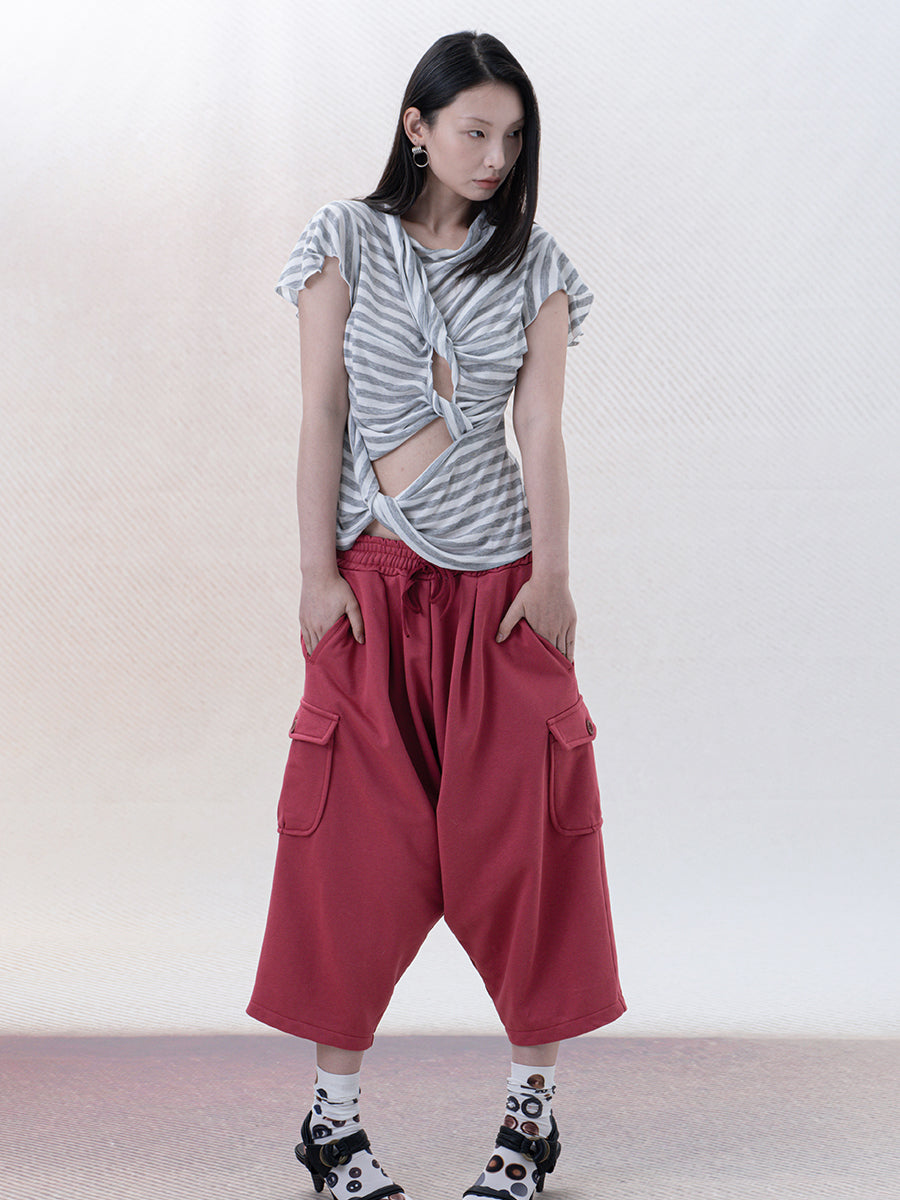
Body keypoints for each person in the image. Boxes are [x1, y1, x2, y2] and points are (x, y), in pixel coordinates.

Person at [247, 29, 626, 1200]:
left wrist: (552, 579)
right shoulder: (343, 240)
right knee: (349, 856)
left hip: (501, 598)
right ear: (417, 127)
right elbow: (321, 412)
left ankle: (529, 1122)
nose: (495, 156)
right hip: (370, 589)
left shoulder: (539, 265)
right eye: (474, 131)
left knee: (528, 848)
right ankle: (331, 1125)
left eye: (513, 137)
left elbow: (541, 427)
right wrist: (315, 576)